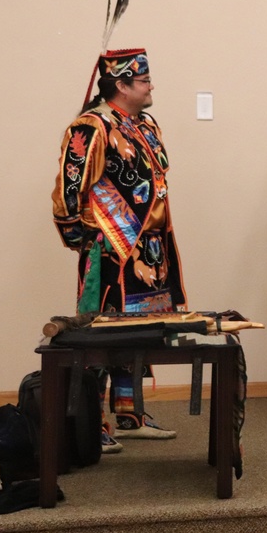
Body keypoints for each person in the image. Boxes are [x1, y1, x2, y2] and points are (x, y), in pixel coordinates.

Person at [52, 42, 186, 453]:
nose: (151, 87)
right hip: (111, 249)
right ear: (122, 84)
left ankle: (130, 413)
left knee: (142, 331)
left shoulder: (146, 125)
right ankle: (95, 426)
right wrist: (87, 241)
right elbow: (69, 192)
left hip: (150, 248)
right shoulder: (91, 127)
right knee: (101, 334)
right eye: (144, 81)